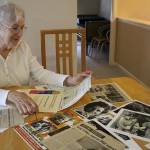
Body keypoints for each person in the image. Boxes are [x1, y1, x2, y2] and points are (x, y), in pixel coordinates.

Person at [0, 2, 91, 115]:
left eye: (22, 28)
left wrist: (68, 80)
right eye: (14, 28)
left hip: (23, 110)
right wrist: (8, 95)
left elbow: (40, 73)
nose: (20, 34)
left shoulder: (23, 47)